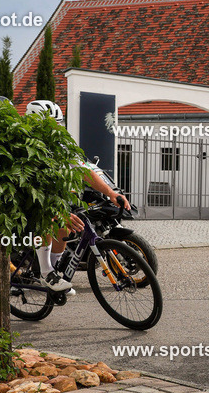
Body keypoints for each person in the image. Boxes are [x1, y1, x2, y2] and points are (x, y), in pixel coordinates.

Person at [24, 100, 131, 291]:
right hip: (30, 198)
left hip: (53, 197)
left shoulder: (61, 143)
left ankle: (54, 272)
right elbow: (32, 188)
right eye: (49, 125)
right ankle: (46, 273)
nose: (55, 129)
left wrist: (110, 193)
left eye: (57, 124)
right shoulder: (25, 146)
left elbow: (84, 170)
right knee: (46, 222)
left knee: (64, 229)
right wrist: (57, 212)